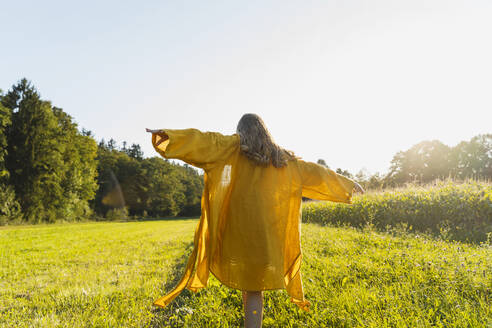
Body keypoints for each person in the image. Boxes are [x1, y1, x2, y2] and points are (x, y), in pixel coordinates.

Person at [146, 113, 364, 328]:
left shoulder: (231, 148)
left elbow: (204, 141)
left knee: (251, 288)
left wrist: (170, 137)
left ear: (241, 131)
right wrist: (347, 184)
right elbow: (318, 174)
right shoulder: (283, 160)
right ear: (265, 131)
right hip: (267, 236)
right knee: (252, 287)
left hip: (238, 235)